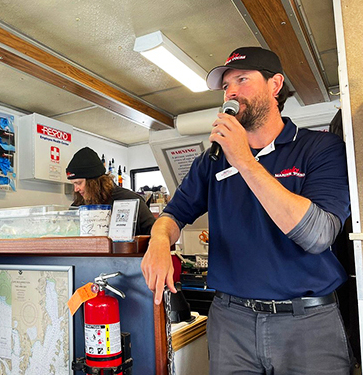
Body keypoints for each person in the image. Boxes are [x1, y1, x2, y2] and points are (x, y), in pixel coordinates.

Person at [141, 46, 353, 374]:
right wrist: (158, 241)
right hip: (231, 321)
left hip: (308, 323)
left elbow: (318, 234)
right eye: (226, 86)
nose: (232, 92)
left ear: (275, 85)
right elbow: (174, 213)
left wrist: (243, 159)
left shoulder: (320, 148)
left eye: (242, 79)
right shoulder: (211, 162)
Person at [66, 146, 155, 235]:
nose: (76, 189)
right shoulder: (77, 207)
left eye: (79, 183)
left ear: (93, 182)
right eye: (73, 184)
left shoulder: (130, 200)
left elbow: (155, 234)